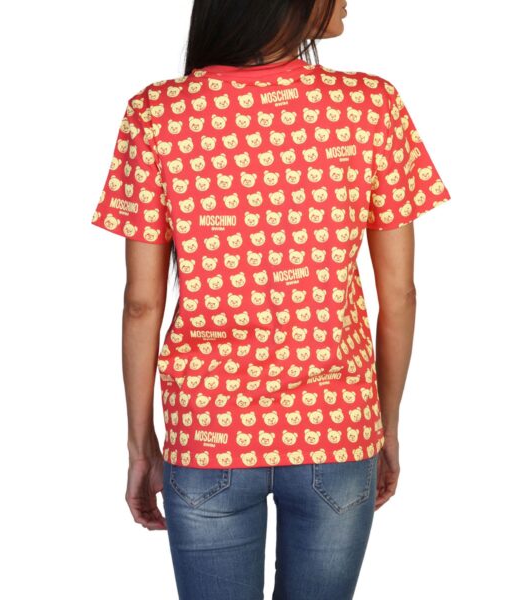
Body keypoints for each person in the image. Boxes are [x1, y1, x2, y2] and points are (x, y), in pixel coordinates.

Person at [90, 0, 451, 598]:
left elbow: (141, 305)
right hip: (337, 429)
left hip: (207, 432)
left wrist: (140, 444)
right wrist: (384, 425)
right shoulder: (371, 107)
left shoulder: (157, 115)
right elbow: (400, 293)